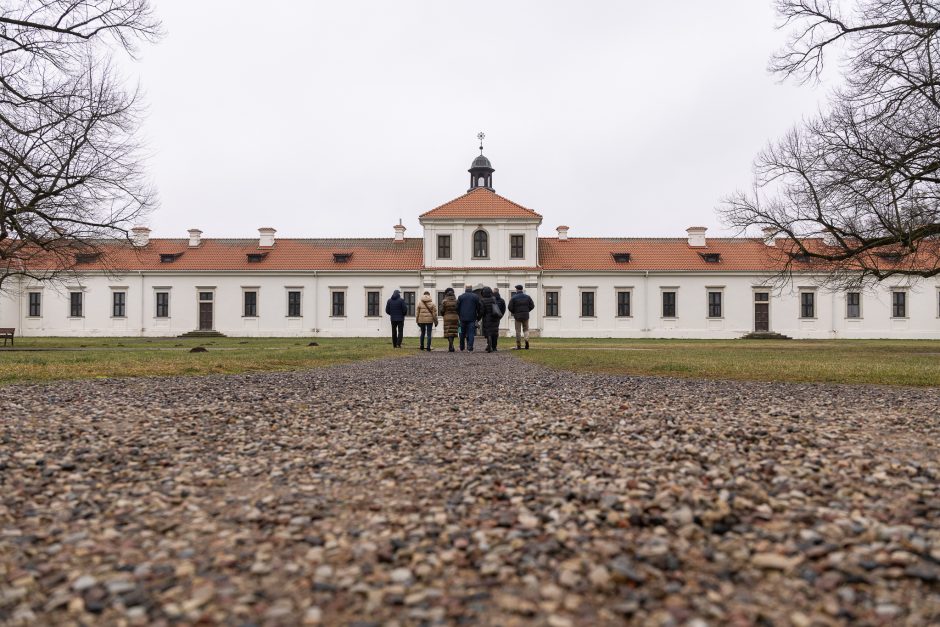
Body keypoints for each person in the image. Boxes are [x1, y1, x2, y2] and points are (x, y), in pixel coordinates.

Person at [507, 284, 535, 349]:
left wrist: (514, 312)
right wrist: (527, 311)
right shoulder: (527, 297)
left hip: (517, 316)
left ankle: (518, 345)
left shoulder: (513, 297)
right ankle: (527, 342)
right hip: (526, 316)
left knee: (518, 331)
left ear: (516, 290)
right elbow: (532, 306)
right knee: (526, 329)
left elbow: (510, 307)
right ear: (522, 289)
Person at [456, 285, 482, 351]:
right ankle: (470, 347)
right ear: (471, 289)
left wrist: (459, 315)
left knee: (461, 333)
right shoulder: (475, 297)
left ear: (465, 289)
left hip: (462, 318)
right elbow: (479, 307)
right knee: (471, 333)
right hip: (472, 318)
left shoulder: (461, 297)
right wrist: (478, 317)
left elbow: (457, 308)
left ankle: (462, 346)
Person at [479, 286, 504, 352]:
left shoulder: (482, 300)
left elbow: (481, 311)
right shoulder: (494, 298)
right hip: (495, 317)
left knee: (488, 331)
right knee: (495, 332)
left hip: (487, 317)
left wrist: (478, 318)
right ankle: (494, 347)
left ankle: (489, 344)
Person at [439, 288, 459, 352]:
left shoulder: (444, 301)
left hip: (447, 317)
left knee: (448, 331)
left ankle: (451, 344)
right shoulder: (456, 301)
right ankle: (451, 344)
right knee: (453, 331)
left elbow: (442, 310)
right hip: (455, 317)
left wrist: (443, 314)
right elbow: (458, 309)